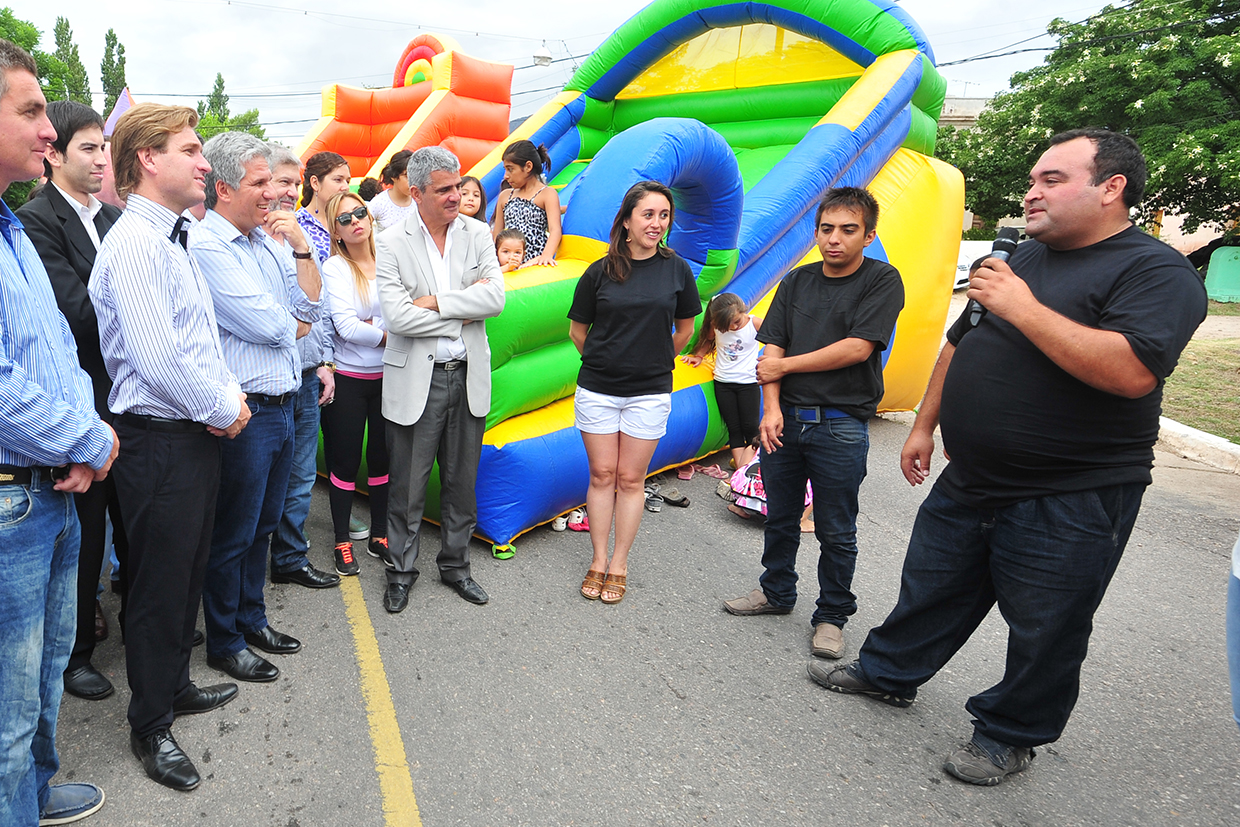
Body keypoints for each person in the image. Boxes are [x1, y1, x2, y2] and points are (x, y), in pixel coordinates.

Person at [810, 129, 1207, 786]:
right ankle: (888, 672)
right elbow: (958, 344)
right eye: (1033, 178)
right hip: (972, 477)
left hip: (1072, 491)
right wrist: (925, 425)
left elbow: (1134, 369)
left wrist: (1022, 309)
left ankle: (1010, 733)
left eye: (1052, 178)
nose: (1032, 190)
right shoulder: (1022, 261)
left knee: (1047, 624)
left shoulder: (1153, 271)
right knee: (932, 586)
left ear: (1111, 188)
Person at [91, 102, 246, 792]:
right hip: (160, 441)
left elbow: (196, 343)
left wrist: (222, 402)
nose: (204, 162)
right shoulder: (137, 244)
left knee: (184, 572)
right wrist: (223, 408)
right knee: (157, 587)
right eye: (190, 148)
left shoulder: (169, 238)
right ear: (148, 159)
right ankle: (150, 724)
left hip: (188, 437)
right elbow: (159, 361)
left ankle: (175, 684)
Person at [0, 39, 117, 825]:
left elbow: (61, 354)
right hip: (13, 499)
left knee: (42, 677)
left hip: (51, 487)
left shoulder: (12, 230)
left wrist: (81, 435)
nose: (48, 129)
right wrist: (86, 439)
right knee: (7, 703)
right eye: (31, 110)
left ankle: (33, 795)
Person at [723, 187, 904, 663]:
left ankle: (831, 616)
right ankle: (776, 592)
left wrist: (784, 370)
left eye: (848, 230)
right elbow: (772, 353)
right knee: (779, 517)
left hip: (840, 425)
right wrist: (771, 408)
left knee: (836, 529)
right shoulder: (797, 281)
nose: (835, 240)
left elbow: (858, 348)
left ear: (868, 234)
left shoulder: (882, 280)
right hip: (786, 421)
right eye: (827, 229)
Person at [190, 132, 322, 685]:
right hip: (246, 412)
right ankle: (225, 640)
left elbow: (311, 305)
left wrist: (299, 248)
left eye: (274, 180)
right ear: (224, 188)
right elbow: (273, 324)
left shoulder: (269, 241)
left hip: (284, 402)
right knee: (235, 532)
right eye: (260, 182)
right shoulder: (208, 245)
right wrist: (291, 319)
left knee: (263, 524)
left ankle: (252, 619)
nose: (274, 194)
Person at [16, 100, 128, 703]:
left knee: (128, 523)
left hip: (128, 396)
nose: (100, 158)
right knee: (84, 534)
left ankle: (132, 622)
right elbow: (77, 314)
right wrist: (144, 327)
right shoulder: (36, 222)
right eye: (87, 147)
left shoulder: (112, 218)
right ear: (53, 154)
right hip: (78, 403)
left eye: (103, 147)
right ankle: (77, 651)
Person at [375, 146, 505, 614]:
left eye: (459, 186)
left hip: (467, 375)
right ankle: (400, 572)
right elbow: (397, 317)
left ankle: (456, 567)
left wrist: (434, 302)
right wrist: (459, 311)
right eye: (445, 189)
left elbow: (495, 299)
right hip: (418, 382)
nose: (457, 197)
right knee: (406, 487)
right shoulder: (390, 240)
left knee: (461, 483)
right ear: (417, 192)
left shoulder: (476, 234)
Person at [568, 180, 701, 604]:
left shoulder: (676, 269)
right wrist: (607, 361)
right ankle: (597, 558)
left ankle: (619, 563)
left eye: (664, 216)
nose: (657, 224)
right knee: (602, 475)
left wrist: (655, 360)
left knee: (630, 478)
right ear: (626, 221)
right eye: (648, 215)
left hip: (650, 391)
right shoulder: (599, 270)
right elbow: (577, 330)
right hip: (599, 390)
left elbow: (685, 330)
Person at [264, 144, 340, 590]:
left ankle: (290, 558)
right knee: (259, 487)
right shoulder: (244, 238)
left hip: (307, 374)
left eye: (295, 184)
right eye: (282, 182)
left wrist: (325, 360)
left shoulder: (302, 237)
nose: (290, 192)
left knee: (300, 479)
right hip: (267, 385)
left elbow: (320, 306)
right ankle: (246, 581)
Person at [294, 151, 369, 543]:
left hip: (353, 353)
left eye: (349, 178)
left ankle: (343, 511)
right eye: (339, 179)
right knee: (310, 450)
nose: (346, 187)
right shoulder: (299, 229)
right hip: (321, 350)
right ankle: (297, 530)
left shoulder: (353, 223)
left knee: (343, 443)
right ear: (315, 184)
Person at [320, 191, 390, 574]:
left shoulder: (390, 259)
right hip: (348, 378)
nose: (355, 221)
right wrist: (389, 333)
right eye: (345, 219)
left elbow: (408, 309)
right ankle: (342, 540)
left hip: (390, 376)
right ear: (336, 230)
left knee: (382, 457)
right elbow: (344, 326)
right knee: (344, 462)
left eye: (360, 213)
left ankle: (379, 534)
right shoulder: (335, 268)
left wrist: (371, 328)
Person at [682, 292, 763, 470]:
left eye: (737, 322)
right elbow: (707, 340)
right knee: (733, 428)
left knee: (751, 427)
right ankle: (743, 471)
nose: (733, 327)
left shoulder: (754, 323)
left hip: (748, 383)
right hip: (723, 382)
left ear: (744, 311)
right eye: (728, 325)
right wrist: (698, 356)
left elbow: (775, 339)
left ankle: (750, 469)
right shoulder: (717, 325)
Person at [491, 140, 561, 266]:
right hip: (509, 262)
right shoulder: (505, 196)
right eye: (505, 170)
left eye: (510, 169)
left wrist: (546, 255)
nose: (506, 176)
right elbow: (497, 235)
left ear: (528, 167)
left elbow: (555, 230)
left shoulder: (547, 194)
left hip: (535, 261)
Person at [368, 149, 415, 231]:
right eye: (407, 176)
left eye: (415, 175)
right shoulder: (379, 203)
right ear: (394, 176)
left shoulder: (420, 200)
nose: (413, 181)